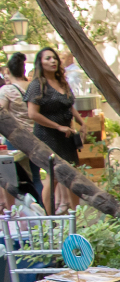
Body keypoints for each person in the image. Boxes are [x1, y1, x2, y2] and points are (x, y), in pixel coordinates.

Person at [25, 47, 84, 214]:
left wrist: (81, 123)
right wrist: (58, 126)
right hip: (48, 136)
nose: (53, 61)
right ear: (40, 63)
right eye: (48, 58)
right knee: (54, 177)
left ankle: (78, 218)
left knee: (73, 176)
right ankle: (50, 219)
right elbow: (32, 114)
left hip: (67, 137)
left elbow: (69, 105)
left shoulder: (62, 82)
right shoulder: (37, 85)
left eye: (55, 58)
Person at [0, 52, 44, 203]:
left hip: (15, 139)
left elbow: (2, 114)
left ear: (9, 72)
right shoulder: (33, 86)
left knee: (13, 178)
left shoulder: (7, 90)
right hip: (36, 136)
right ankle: (41, 211)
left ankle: (20, 214)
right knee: (36, 177)